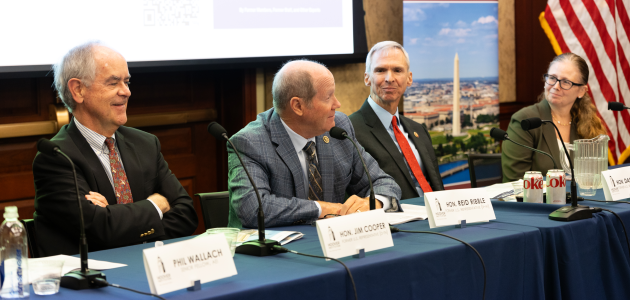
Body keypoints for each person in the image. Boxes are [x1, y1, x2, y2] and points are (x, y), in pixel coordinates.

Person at [33, 42, 198, 257]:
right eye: (113, 83)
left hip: (151, 269)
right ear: (78, 90)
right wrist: (155, 205)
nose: (127, 92)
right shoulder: (56, 157)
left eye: (127, 82)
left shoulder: (146, 144)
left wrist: (114, 216)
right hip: (94, 282)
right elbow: (98, 229)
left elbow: (186, 214)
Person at [227, 60, 401, 228]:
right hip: (275, 253)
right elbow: (253, 209)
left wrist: (374, 202)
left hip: (336, 243)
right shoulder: (250, 143)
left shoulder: (339, 128)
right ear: (298, 106)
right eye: (328, 97)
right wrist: (322, 209)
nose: (337, 104)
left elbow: (384, 182)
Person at [349, 41, 444, 200]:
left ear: (409, 78)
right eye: (380, 70)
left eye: (397, 70)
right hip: (396, 221)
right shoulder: (350, 131)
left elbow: (435, 184)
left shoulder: (418, 129)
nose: (389, 78)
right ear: (367, 78)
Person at [502, 52, 607, 182]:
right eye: (552, 78)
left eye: (565, 82)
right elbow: (514, 183)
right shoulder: (525, 120)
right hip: (537, 201)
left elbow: (598, 175)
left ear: (581, 91)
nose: (556, 86)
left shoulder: (588, 124)